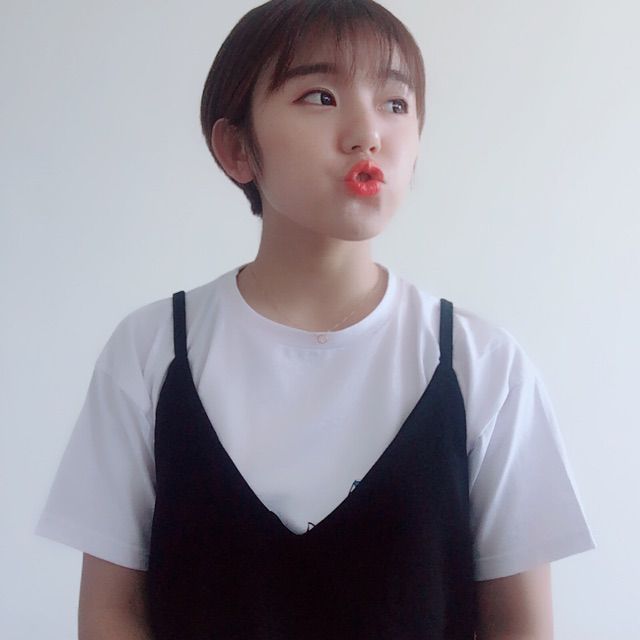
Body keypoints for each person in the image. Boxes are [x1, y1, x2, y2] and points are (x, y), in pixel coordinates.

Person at [35, 1, 596, 638]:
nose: (368, 134)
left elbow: (519, 625)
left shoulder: (482, 364)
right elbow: (111, 612)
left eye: (395, 103)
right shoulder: (151, 351)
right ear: (237, 148)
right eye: (321, 96)